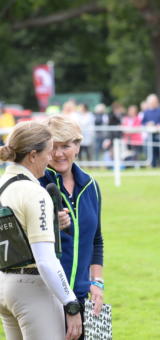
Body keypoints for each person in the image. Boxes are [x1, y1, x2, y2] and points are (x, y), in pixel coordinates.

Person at [0, 121, 82, 340]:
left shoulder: (3, 184)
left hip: (5, 286)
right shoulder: (34, 193)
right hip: (32, 288)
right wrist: (70, 303)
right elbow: (45, 260)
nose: (51, 158)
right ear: (33, 155)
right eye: (48, 152)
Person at [39, 115, 104, 340]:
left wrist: (96, 282)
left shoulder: (91, 186)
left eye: (65, 146)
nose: (58, 154)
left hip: (83, 295)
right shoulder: (35, 184)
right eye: (52, 147)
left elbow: (96, 240)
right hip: (46, 297)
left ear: (77, 146)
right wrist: (51, 225)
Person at [140, 94, 160, 167]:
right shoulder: (146, 112)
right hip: (150, 136)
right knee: (151, 152)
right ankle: (153, 165)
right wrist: (148, 124)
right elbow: (143, 123)